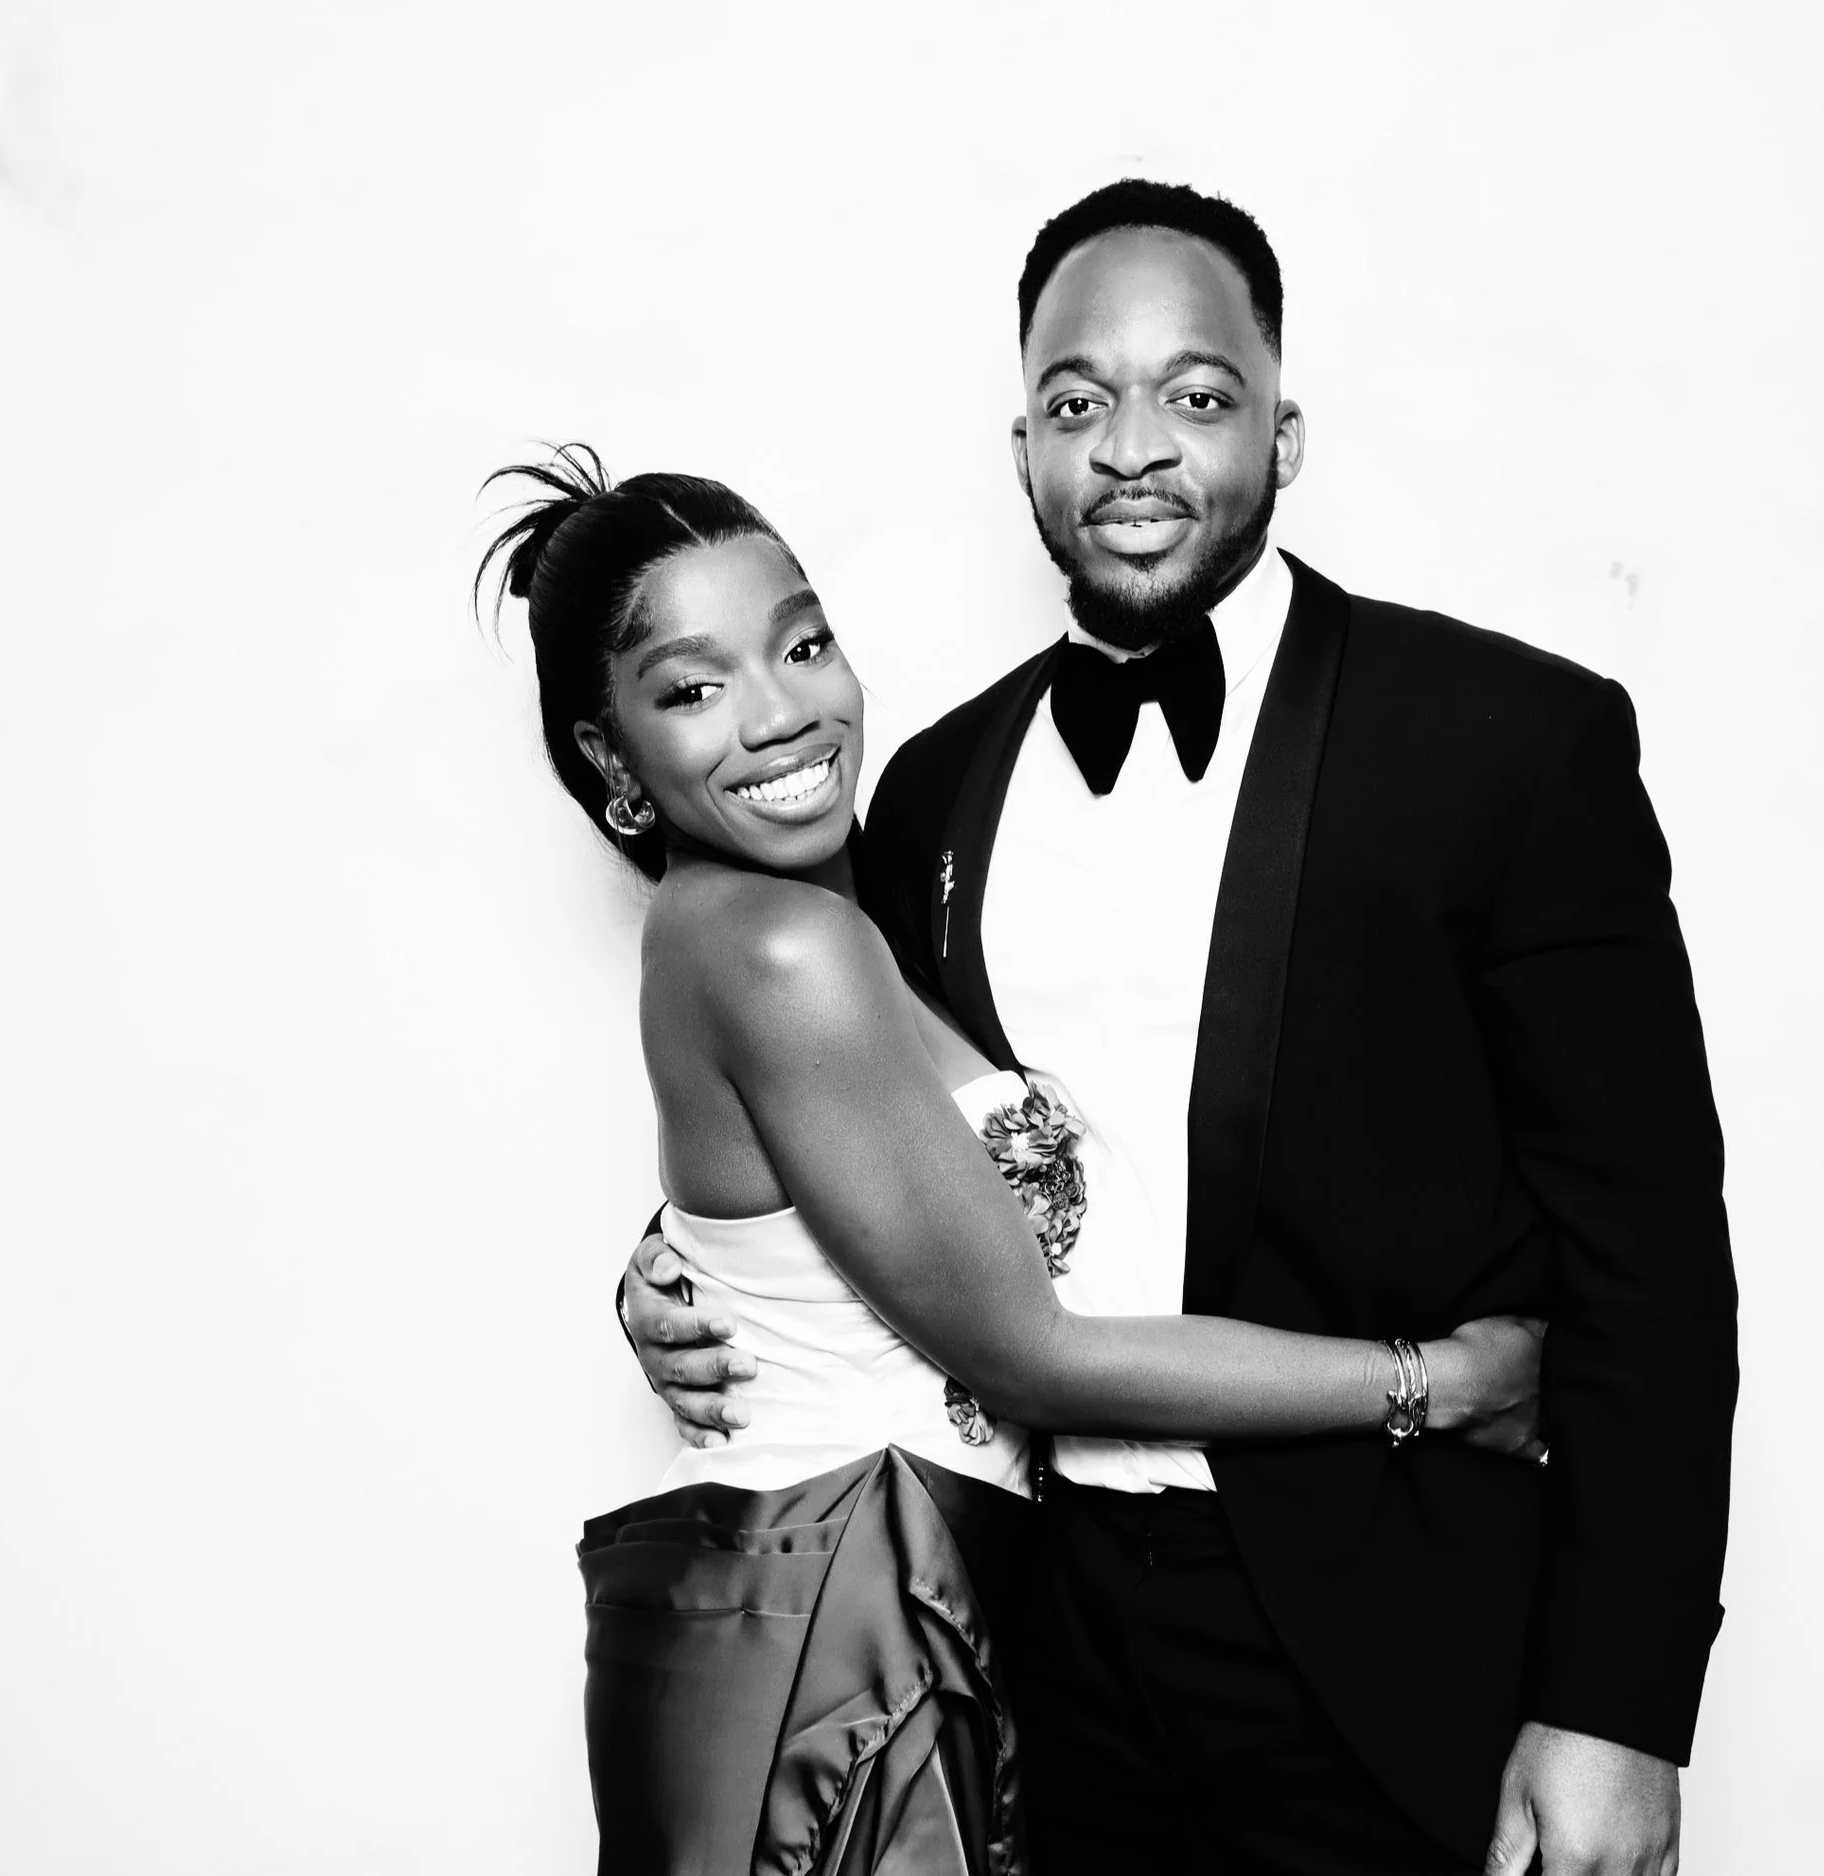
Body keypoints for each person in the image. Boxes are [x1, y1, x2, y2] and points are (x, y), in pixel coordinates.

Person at [626, 179, 1740, 1876]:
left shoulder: (1508, 745)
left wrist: (1620, 1708)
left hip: (1393, 1653)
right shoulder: (927, 794)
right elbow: (855, 1109)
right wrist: (687, 1265)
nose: (1131, 447)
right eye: (1079, 402)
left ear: (1284, 436)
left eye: (1196, 395)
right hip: (1032, 1644)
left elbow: (1652, 1249)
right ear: (1023, 453)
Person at [477, 447, 1551, 1875]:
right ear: (611, 755)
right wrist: (1436, 1381)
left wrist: (674, 1262)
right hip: (839, 1636)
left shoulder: (832, 914)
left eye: (802, 641)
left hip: (892, 1615)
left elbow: (816, 1199)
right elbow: (1032, 1358)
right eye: (691, 686)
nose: (781, 710)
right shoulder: (780, 945)